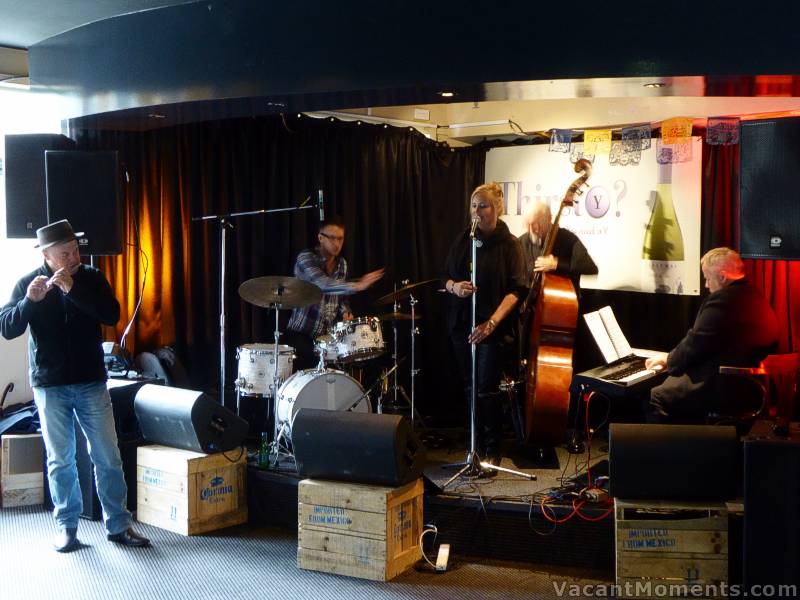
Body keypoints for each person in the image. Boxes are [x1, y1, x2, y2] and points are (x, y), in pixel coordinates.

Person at [0, 220, 150, 553]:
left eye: (75, 249)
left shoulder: (92, 278)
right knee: (60, 459)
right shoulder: (28, 282)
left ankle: (119, 525)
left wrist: (73, 290)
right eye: (65, 252)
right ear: (47, 255)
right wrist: (29, 302)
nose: (73, 256)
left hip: (91, 381)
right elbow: (7, 328)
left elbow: (112, 315)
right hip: (50, 385)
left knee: (107, 455)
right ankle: (67, 526)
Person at [443, 183, 528, 468]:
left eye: (483, 205)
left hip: (493, 329)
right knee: (469, 388)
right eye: (474, 205)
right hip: (463, 325)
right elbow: (444, 277)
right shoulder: (464, 239)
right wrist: (455, 287)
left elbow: (518, 290)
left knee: (485, 390)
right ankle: (474, 447)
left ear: (497, 208)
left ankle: (493, 449)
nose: (477, 211)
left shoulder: (510, 244)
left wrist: (491, 323)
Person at [644, 247, 779, 424]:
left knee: (655, 396)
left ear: (722, 277)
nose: (706, 285)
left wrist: (668, 361)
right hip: (754, 387)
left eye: (707, 278)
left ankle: (671, 451)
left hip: (726, 388)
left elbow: (696, 342)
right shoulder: (756, 296)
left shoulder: (723, 300)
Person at [285, 216, 384, 370]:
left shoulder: (342, 264)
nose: (337, 243)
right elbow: (322, 284)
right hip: (300, 334)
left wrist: (346, 312)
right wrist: (358, 286)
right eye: (332, 238)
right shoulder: (306, 258)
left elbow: (341, 298)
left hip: (325, 338)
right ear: (320, 238)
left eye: (340, 238)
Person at [518, 200, 598, 294]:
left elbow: (591, 268)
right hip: (530, 306)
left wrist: (557, 264)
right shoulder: (521, 242)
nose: (532, 229)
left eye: (536, 223)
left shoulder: (568, 239)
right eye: (528, 224)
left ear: (549, 219)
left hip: (562, 303)